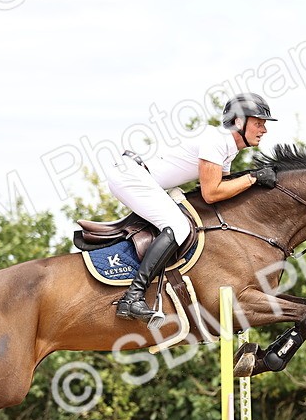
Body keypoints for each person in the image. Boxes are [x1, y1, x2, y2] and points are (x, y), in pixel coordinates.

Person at [105, 92, 279, 322]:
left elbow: (224, 187)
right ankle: (132, 297)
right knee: (179, 226)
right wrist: (253, 178)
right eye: (259, 123)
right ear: (239, 121)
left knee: (180, 222)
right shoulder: (216, 140)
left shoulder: (228, 149)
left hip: (139, 177)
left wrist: (252, 179)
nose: (264, 130)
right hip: (131, 176)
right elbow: (211, 193)